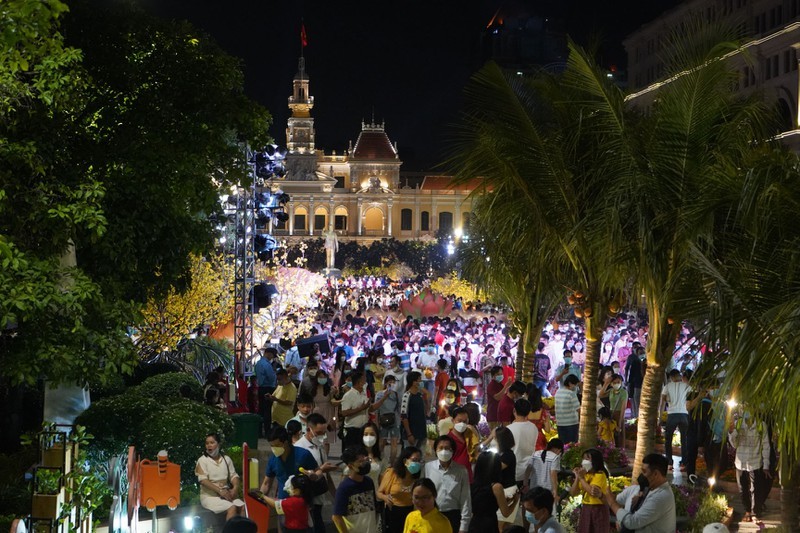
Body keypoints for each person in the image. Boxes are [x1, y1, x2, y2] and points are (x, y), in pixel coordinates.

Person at [261, 426, 320, 533]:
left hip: (303, 506)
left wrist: (314, 475)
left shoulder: (303, 454)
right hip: (283, 506)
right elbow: (266, 483)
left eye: (277, 445)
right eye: (272, 446)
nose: (274, 449)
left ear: (286, 442)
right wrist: (260, 498)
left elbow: (318, 471)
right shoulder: (273, 459)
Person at [602, 453, 676, 533]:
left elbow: (632, 522)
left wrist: (612, 503)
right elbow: (615, 499)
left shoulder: (661, 497)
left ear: (655, 474)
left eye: (644, 472)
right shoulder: (647, 489)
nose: (641, 475)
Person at [295, 413, 340, 533]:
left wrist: (335, 494)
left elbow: (326, 474)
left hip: (319, 494)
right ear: (309, 429)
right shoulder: (300, 447)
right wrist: (321, 469)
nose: (323, 436)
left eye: (324, 432)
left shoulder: (319, 445)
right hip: (307, 496)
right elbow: (299, 474)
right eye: (319, 432)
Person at [422, 435, 471, 533]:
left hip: (453, 516)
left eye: (447, 448)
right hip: (433, 514)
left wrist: (463, 526)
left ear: (453, 451)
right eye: (440, 448)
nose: (444, 451)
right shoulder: (428, 467)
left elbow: (465, 499)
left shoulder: (461, 470)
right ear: (435, 450)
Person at [729, 411, 771, 522]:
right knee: (742, 489)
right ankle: (747, 510)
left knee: (756, 489)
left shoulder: (761, 425)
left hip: (755, 462)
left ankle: (755, 512)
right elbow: (734, 444)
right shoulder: (738, 424)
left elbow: (766, 446)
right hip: (740, 462)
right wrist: (731, 432)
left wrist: (766, 464)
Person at [195, 433, 245, 520]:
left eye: (212, 442)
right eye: (207, 443)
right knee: (232, 508)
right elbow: (203, 480)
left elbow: (234, 476)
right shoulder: (202, 460)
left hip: (227, 495)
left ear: (218, 444)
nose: (209, 446)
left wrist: (235, 488)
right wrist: (220, 491)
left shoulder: (226, 459)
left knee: (243, 507)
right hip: (210, 497)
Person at [467, 451, 519, 533]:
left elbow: (483, 503)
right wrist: (515, 501)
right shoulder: (496, 487)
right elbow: (506, 513)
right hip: (489, 525)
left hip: (474, 524)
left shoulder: (472, 484)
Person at [333, 445, 380, 533]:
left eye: (366, 460)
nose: (365, 464)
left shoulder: (369, 482)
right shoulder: (344, 488)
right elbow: (336, 517)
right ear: (351, 466)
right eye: (360, 462)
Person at [377, 446, 423, 533]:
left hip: (410, 513)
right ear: (405, 461)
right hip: (392, 513)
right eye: (414, 460)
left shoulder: (417, 478)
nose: (417, 463)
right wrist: (385, 497)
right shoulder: (392, 473)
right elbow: (379, 492)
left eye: (419, 461)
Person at [569, 448, 609, 533]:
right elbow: (573, 492)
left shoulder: (600, 475)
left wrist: (581, 478)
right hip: (586, 508)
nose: (584, 461)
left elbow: (592, 492)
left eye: (587, 459)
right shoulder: (585, 475)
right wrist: (577, 477)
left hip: (598, 509)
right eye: (583, 459)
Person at [661, 369, 691, 472]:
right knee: (685, 440)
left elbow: (663, 398)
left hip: (672, 414)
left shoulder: (667, 386)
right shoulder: (686, 385)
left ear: (671, 377)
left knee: (668, 439)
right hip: (684, 414)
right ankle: (684, 463)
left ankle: (669, 462)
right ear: (679, 375)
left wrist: (668, 401)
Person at [494, 426, 522, 528]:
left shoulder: (508, 455)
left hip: (508, 492)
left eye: (495, 438)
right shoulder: (501, 454)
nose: (493, 441)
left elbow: (494, 469)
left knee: (501, 526)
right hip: (504, 491)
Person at [507, 399, 538, 487]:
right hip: (530, 471)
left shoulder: (509, 429)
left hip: (514, 472)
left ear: (514, 411)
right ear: (528, 412)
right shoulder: (533, 427)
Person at [376, 374, 402, 464]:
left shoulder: (396, 394)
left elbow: (399, 409)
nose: (392, 384)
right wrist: (376, 422)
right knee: (382, 441)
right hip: (383, 420)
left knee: (394, 443)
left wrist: (400, 420)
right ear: (386, 383)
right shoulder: (379, 394)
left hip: (395, 420)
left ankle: (392, 463)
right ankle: (381, 459)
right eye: (390, 382)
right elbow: (377, 409)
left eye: (393, 382)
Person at [448, 407, 479, 482]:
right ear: (453, 420)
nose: (462, 424)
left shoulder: (469, 435)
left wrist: (475, 432)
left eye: (465, 421)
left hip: (468, 477)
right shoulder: (448, 439)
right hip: (454, 478)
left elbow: (477, 448)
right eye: (459, 421)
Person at [311, 369, 337, 454]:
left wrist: (333, 419)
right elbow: (312, 404)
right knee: (316, 438)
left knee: (326, 440)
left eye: (324, 377)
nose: (322, 379)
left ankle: (325, 458)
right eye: (320, 377)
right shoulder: (313, 390)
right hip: (317, 414)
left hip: (328, 414)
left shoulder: (330, 389)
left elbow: (333, 403)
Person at [401, 371, 429, 451]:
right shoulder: (406, 396)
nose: (421, 382)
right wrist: (409, 434)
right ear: (414, 382)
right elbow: (404, 416)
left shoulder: (419, 395)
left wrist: (425, 395)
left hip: (421, 432)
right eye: (420, 380)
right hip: (411, 433)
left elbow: (427, 409)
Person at [256, 348, 278, 436]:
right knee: (267, 411)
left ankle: (259, 431)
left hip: (261, 388)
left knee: (261, 410)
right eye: (272, 355)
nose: (272, 357)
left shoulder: (259, 363)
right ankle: (267, 431)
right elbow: (271, 377)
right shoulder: (266, 364)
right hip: (268, 388)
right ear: (268, 353)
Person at [554, 375, 581, 444]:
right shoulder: (571, 394)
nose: (576, 387)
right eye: (575, 385)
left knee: (563, 444)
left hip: (560, 423)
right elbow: (578, 409)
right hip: (571, 423)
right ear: (570, 383)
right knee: (571, 445)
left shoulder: (558, 391)